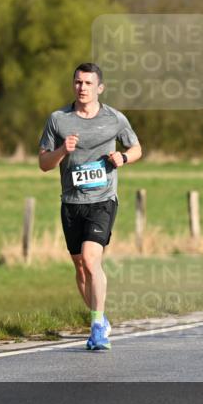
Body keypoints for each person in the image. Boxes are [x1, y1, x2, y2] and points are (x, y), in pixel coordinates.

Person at [39, 63, 141, 350]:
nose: (82, 87)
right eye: (78, 82)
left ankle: (96, 328)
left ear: (100, 88)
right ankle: (101, 317)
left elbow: (136, 148)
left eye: (87, 83)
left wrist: (123, 158)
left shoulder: (114, 118)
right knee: (80, 267)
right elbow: (44, 164)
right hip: (72, 202)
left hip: (103, 200)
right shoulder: (58, 119)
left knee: (90, 258)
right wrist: (63, 150)